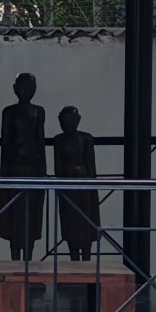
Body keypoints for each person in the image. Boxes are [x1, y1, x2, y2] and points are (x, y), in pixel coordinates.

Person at [0, 72, 48, 259]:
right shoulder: (9, 112)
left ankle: (28, 258)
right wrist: (17, 156)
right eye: (23, 87)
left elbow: (40, 143)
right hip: (14, 169)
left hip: (32, 170)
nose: (26, 91)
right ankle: (14, 259)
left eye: (30, 87)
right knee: (15, 215)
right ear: (15, 89)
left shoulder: (38, 111)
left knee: (30, 216)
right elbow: (6, 143)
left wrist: (39, 167)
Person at [51, 105, 102, 259]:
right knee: (71, 225)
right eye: (64, 120)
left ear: (78, 120)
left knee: (85, 224)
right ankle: (74, 260)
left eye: (70, 120)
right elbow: (58, 168)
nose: (67, 124)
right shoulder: (59, 140)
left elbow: (91, 168)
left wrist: (82, 175)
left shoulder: (86, 139)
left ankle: (87, 260)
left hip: (84, 187)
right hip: (68, 188)